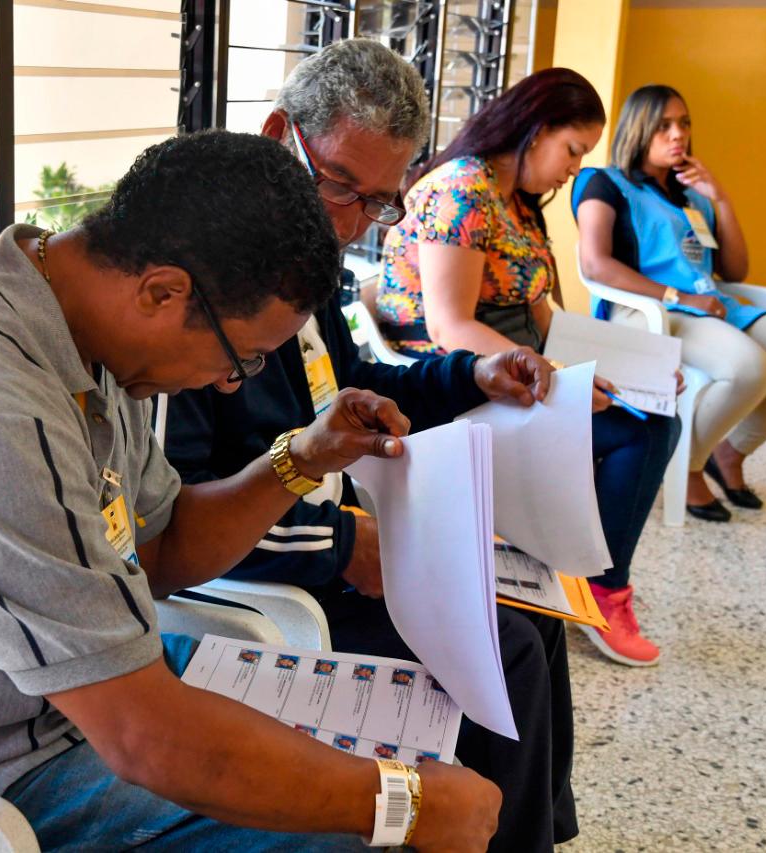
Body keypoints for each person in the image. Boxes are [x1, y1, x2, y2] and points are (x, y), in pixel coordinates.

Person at [0, 129, 502, 851]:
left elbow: (161, 547)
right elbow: (141, 736)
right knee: (365, 833)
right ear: (163, 290)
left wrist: (301, 460)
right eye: (242, 358)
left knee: (420, 717)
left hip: (74, 701)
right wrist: (401, 802)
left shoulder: (84, 334)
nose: (233, 382)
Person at [163, 40, 576, 852]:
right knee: (510, 650)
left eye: (377, 200)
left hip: (342, 537)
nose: (349, 221)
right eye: (339, 186)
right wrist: (344, 542)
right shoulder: (193, 298)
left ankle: (528, 832)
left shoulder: (308, 275)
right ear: (281, 135)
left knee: (537, 616)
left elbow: (355, 389)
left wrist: (472, 374)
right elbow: (175, 511)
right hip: (282, 576)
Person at [375, 68, 680, 668]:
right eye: (571, 150)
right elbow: (450, 327)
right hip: (459, 373)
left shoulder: (517, 201)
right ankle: (600, 585)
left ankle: (584, 569)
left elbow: (543, 313)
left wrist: (631, 364)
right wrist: (562, 379)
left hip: (520, 364)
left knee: (651, 409)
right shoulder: (462, 189)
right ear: (536, 131)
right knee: (642, 432)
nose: (573, 168)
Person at [573, 84, 766, 521]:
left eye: (684, 124)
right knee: (752, 368)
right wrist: (680, 296)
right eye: (664, 126)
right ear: (638, 128)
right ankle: (689, 468)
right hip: (651, 309)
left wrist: (720, 198)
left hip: (713, 304)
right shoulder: (604, 183)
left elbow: (735, 271)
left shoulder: (693, 196)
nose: (678, 134)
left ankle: (727, 452)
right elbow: (595, 263)